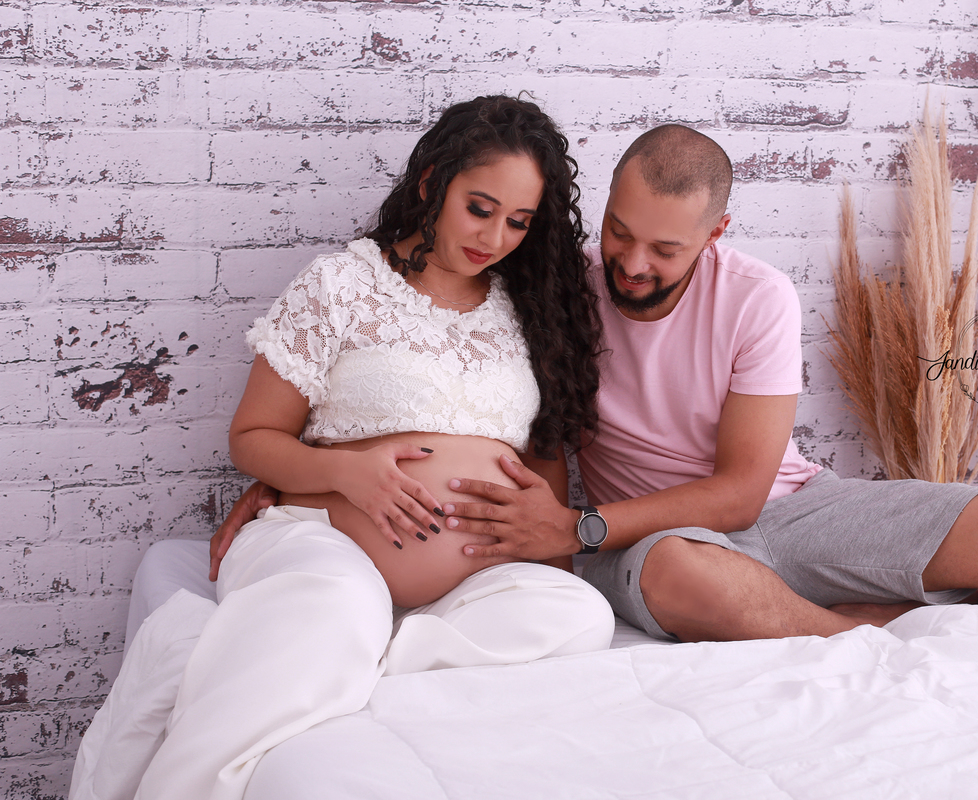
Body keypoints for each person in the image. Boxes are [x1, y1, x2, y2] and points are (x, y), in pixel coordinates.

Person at [216, 123, 978, 647]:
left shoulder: (757, 295)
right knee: (692, 578)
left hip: (778, 507)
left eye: (664, 250)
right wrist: (296, 471)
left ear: (717, 233)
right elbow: (422, 379)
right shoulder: (556, 288)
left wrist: (575, 524)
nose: (630, 263)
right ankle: (894, 648)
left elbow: (740, 494)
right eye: (619, 233)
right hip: (657, 547)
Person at [75, 96, 614, 800]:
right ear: (431, 184)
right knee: (335, 608)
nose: (496, 237)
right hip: (326, 540)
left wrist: (548, 548)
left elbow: (538, 474)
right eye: (479, 209)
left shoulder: (528, 309)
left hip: (464, 587)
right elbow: (252, 437)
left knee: (576, 615)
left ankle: (368, 658)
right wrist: (348, 473)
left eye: (519, 221)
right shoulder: (341, 286)